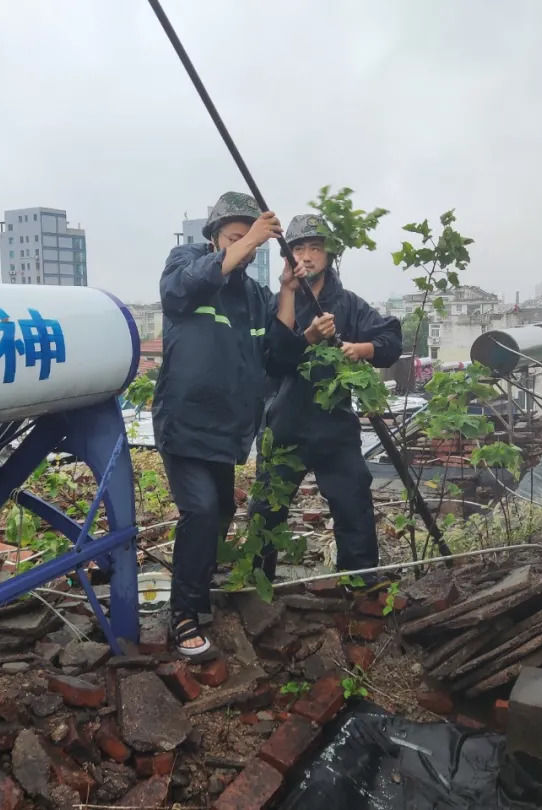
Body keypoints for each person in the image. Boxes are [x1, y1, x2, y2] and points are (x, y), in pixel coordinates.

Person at [153, 192, 304, 658]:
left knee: (218, 511)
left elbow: (277, 354)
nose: (244, 247)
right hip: (185, 419)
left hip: (227, 430)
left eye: (250, 241)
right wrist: (254, 236)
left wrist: (288, 291)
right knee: (198, 511)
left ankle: (197, 576)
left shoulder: (254, 295)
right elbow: (178, 289)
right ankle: (184, 612)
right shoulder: (189, 263)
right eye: (235, 238)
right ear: (216, 237)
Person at [251, 213, 402, 587]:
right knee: (266, 511)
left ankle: (360, 587)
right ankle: (255, 587)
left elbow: (390, 343)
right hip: (283, 422)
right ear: (288, 256)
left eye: (314, 248)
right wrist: (309, 336)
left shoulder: (348, 305)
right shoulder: (277, 302)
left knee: (354, 503)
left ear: (328, 256)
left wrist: (360, 348)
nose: (306, 255)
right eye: (298, 248)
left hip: (335, 426)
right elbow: (274, 359)